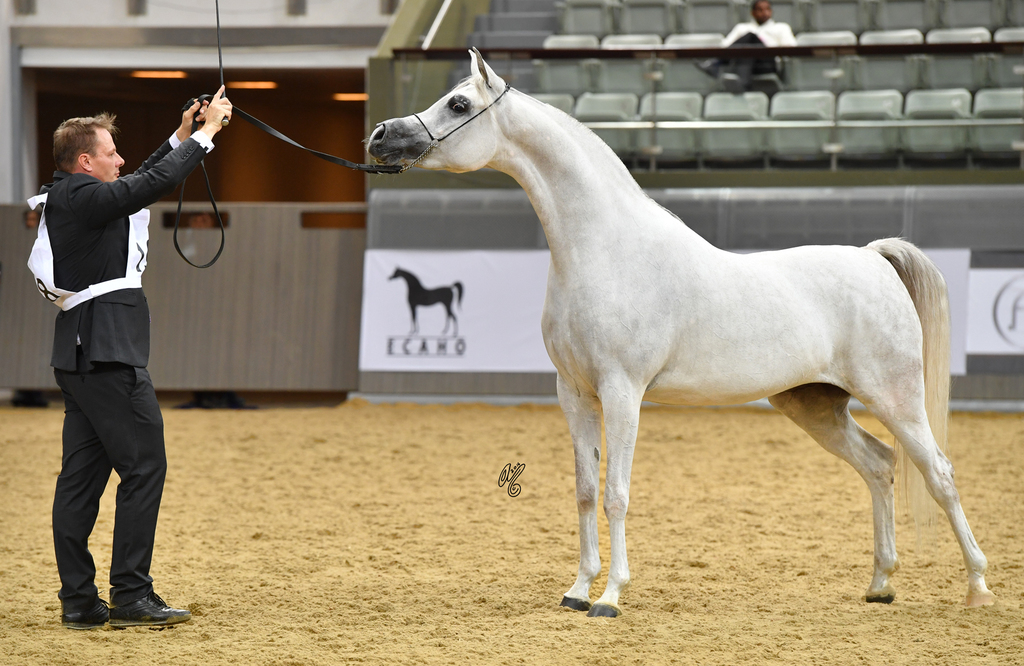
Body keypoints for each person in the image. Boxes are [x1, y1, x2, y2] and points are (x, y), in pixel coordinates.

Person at [27, 88, 232, 630]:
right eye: (111, 152)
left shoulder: (74, 195)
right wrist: (208, 136)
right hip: (108, 351)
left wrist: (184, 135)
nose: (120, 159)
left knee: (81, 480)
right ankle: (132, 595)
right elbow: (144, 184)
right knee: (144, 467)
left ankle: (78, 600)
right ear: (85, 161)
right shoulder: (81, 195)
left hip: (81, 353)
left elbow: (138, 180)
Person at [697, 0, 797, 93]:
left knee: (751, 37)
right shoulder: (741, 28)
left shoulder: (781, 27)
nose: (765, 13)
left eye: (767, 9)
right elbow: (726, 47)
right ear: (752, 13)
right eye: (760, 10)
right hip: (743, 64)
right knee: (747, 48)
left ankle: (715, 64)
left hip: (768, 63)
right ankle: (742, 83)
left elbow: (791, 48)